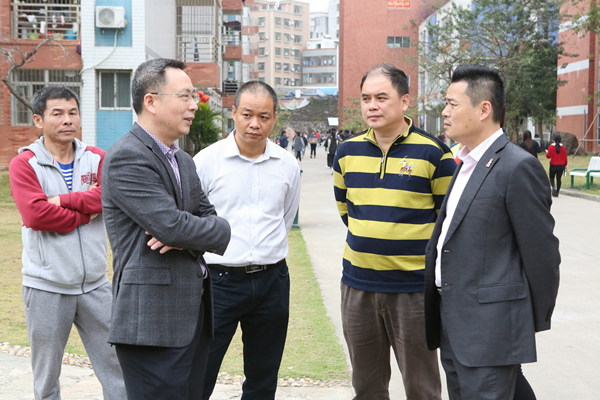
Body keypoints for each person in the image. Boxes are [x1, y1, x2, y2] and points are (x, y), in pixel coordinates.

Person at [424, 64, 560, 400]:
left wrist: (519, 324)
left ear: (484, 109)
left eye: (452, 104)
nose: (444, 112)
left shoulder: (517, 166)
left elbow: (542, 255)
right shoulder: (465, 163)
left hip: (491, 329)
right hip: (453, 321)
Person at [102, 58, 231, 400]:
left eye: (194, 96)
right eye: (185, 96)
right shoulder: (126, 157)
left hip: (192, 317)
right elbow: (172, 226)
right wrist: (184, 230)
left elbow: (215, 223)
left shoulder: (183, 160)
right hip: (152, 323)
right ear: (151, 101)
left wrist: (187, 233)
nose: (194, 105)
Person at [333, 64, 456, 400]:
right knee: (366, 386)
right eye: (365, 99)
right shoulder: (346, 152)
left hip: (413, 291)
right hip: (358, 286)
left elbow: (447, 223)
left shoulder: (434, 153)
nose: (372, 106)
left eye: (381, 98)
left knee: (421, 387)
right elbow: (347, 211)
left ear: (404, 101)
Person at [8, 86, 126, 400]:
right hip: (46, 287)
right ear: (38, 120)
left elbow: (108, 196)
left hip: (95, 286)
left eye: (73, 112)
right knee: (47, 376)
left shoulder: (97, 158)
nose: (67, 120)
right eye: (57, 113)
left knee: (118, 368)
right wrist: (85, 213)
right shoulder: (25, 164)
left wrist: (62, 200)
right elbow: (36, 215)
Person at [194, 80, 301, 400]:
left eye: (264, 117)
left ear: (274, 118)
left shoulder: (287, 164)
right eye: (247, 115)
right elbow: (194, 220)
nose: (255, 124)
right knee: (200, 372)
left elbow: (285, 217)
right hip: (218, 283)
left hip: (272, 281)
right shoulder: (206, 161)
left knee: (263, 377)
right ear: (234, 113)